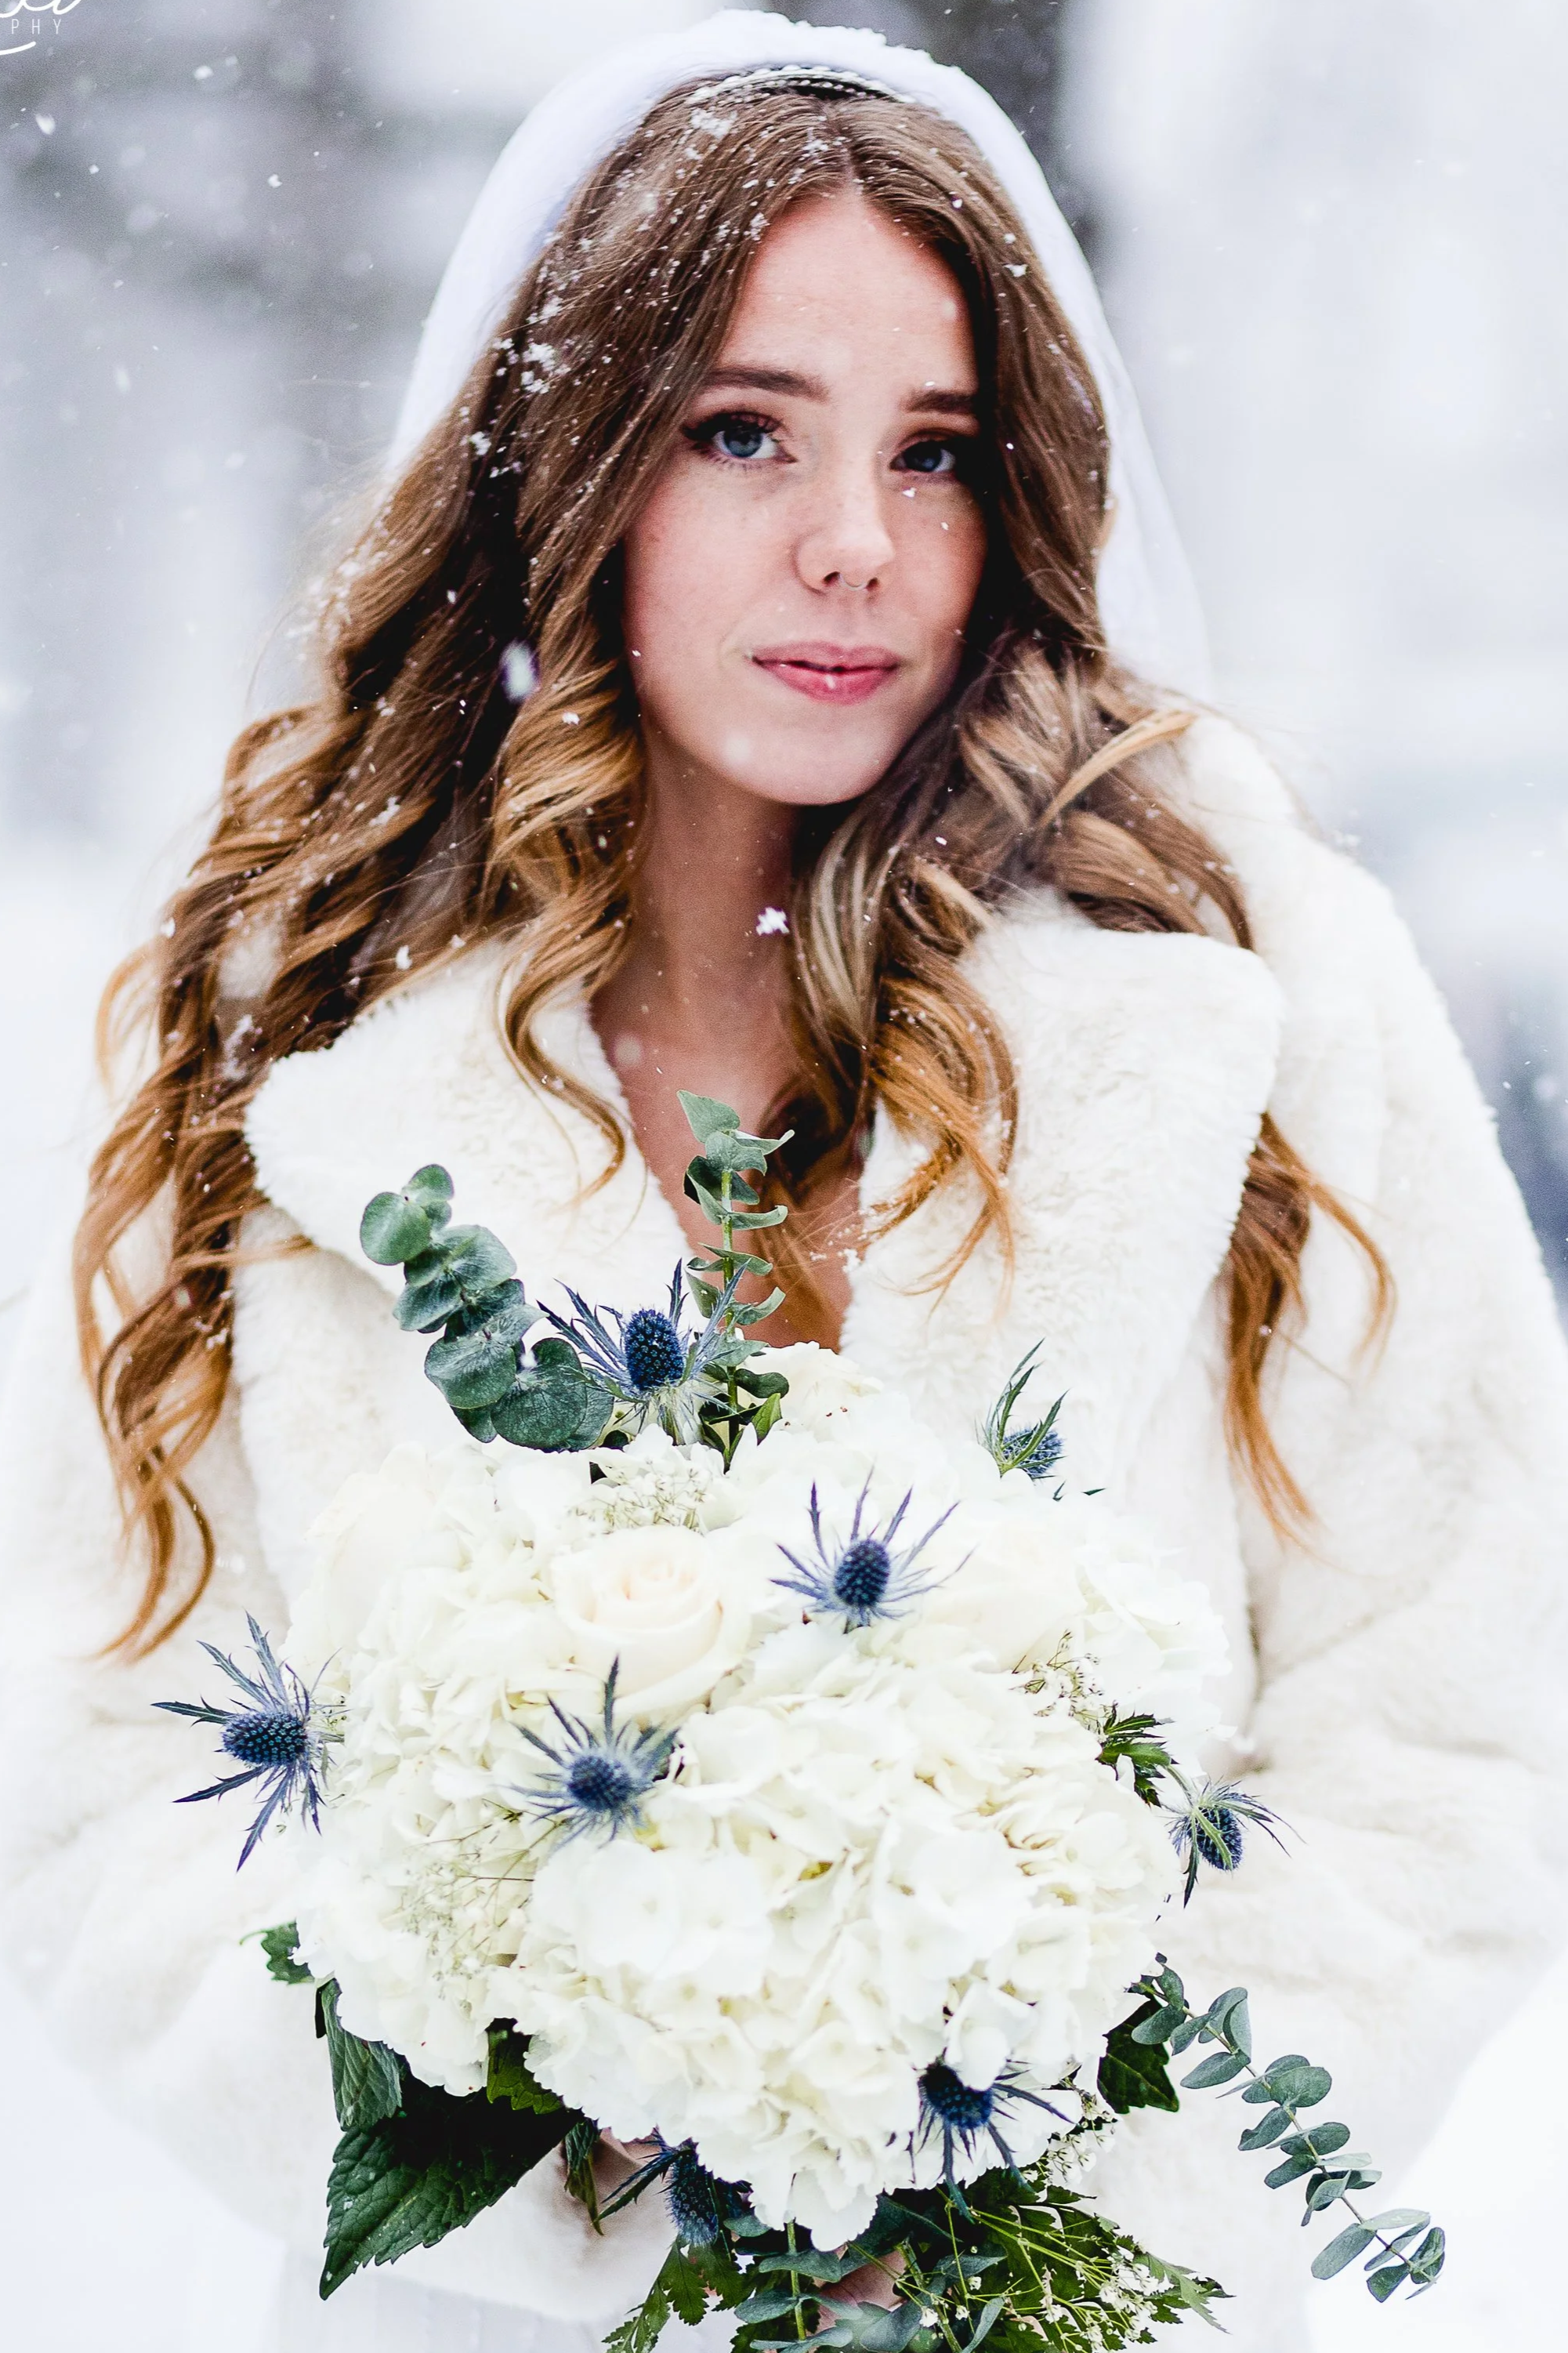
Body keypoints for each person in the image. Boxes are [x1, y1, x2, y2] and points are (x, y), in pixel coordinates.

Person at [1, 14, 1564, 2352]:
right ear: (575, 459)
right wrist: (573, 2142)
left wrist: (1032, 2202)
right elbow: (102, 1777)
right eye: (746, 430)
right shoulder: (286, 1026)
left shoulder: (1238, 974)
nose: (855, 541)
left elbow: (1445, 1710)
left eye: (935, 452)